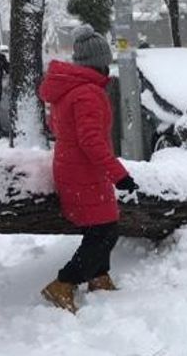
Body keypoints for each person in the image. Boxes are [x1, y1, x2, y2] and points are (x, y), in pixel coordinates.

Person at [38, 25, 140, 313]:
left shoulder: (70, 89)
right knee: (104, 232)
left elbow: (56, 127)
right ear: (99, 62)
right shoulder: (87, 93)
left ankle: (98, 276)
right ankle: (63, 283)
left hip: (72, 167)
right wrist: (119, 174)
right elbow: (91, 141)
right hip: (83, 171)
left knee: (104, 225)